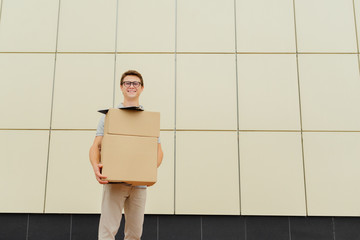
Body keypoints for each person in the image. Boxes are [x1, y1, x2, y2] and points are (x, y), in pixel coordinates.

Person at [89, 70, 163, 240]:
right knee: (107, 232)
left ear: (142, 88)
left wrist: (148, 171)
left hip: (139, 185)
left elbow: (158, 150)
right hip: (114, 181)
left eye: (135, 83)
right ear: (121, 87)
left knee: (134, 235)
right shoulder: (110, 117)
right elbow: (95, 146)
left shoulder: (148, 119)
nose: (131, 86)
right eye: (127, 83)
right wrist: (95, 167)